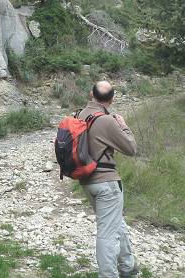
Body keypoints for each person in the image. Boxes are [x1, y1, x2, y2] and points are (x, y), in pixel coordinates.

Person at [75, 80, 139, 278]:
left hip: (87, 182)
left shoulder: (79, 115)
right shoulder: (107, 120)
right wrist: (124, 126)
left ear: (90, 94)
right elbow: (131, 149)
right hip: (107, 184)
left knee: (115, 223)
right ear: (112, 99)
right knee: (108, 233)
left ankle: (128, 266)